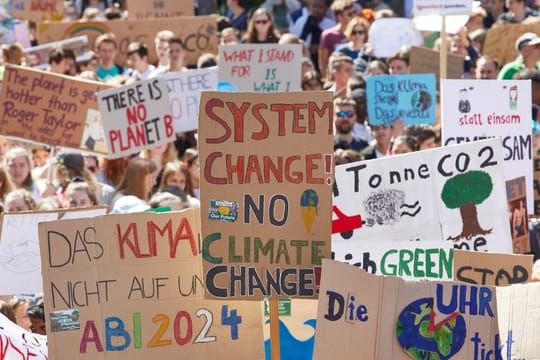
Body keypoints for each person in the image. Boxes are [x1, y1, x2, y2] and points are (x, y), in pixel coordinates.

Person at [290, 0, 335, 72]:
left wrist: (319, 48)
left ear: (326, 9)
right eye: (314, 6)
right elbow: (294, 41)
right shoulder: (301, 21)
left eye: (320, 7)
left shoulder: (331, 25)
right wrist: (306, 49)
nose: (316, 10)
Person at [318, 0, 356, 79]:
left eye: (354, 12)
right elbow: (323, 62)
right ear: (340, 16)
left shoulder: (360, 32)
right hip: (336, 77)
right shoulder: (328, 35)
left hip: (355, 76)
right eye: (349, 14)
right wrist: (326, 79)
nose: (353, 16)